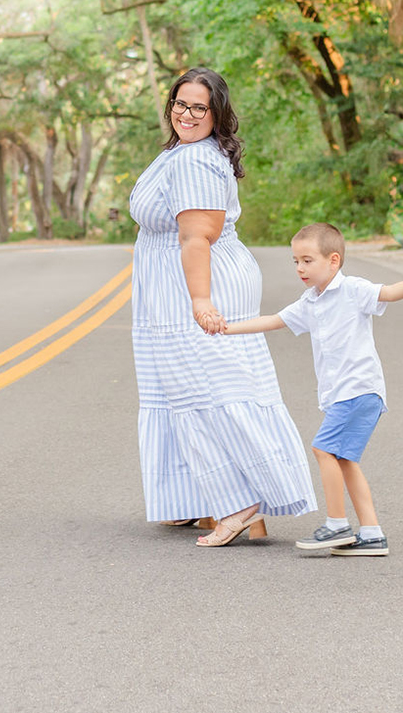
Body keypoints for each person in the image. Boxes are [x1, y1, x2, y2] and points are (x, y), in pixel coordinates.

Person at [127, 67, 315, 547]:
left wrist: (200, 300)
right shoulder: (184, 151)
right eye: (180, 103)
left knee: (205, 390)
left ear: (217, 114)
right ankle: (201, 499)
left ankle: (239, 504)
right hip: (178, 283)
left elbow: (196, 237)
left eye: (199, 107)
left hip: (197, 282)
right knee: (184, 390)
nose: (186, 114)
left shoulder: (193, 162)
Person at [220, 222, 403, 557]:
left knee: (323, 449)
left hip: (358, 390)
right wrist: (226, 329)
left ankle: (336, 524)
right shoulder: (309, 303)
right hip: (342, 396)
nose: (300, 268)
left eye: (307, 260)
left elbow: (388, 292)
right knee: (344, 460)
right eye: (295, 262)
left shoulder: (353, 290)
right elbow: (274, 321)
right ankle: (372, 534)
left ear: (333, 260)